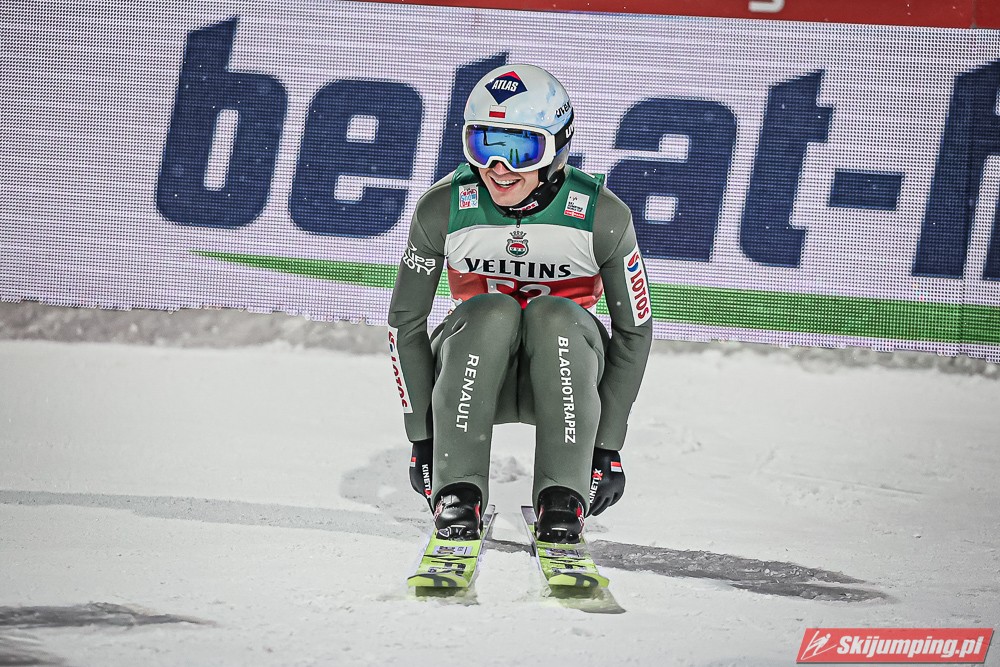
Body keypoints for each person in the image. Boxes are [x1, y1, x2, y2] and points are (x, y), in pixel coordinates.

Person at [387, 64, 652, 543]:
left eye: (519, 149)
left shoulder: (603, 217)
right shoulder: (442, 208)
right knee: (491, 312)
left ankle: (562, 492)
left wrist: (606, 446)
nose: (498, 167)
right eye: (483, 144)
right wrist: (422, 438)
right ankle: (458, 487)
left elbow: (634, 331)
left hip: (564, 377)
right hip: (472, 374)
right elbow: (405, 323)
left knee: (556, 317)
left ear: (556, 149)